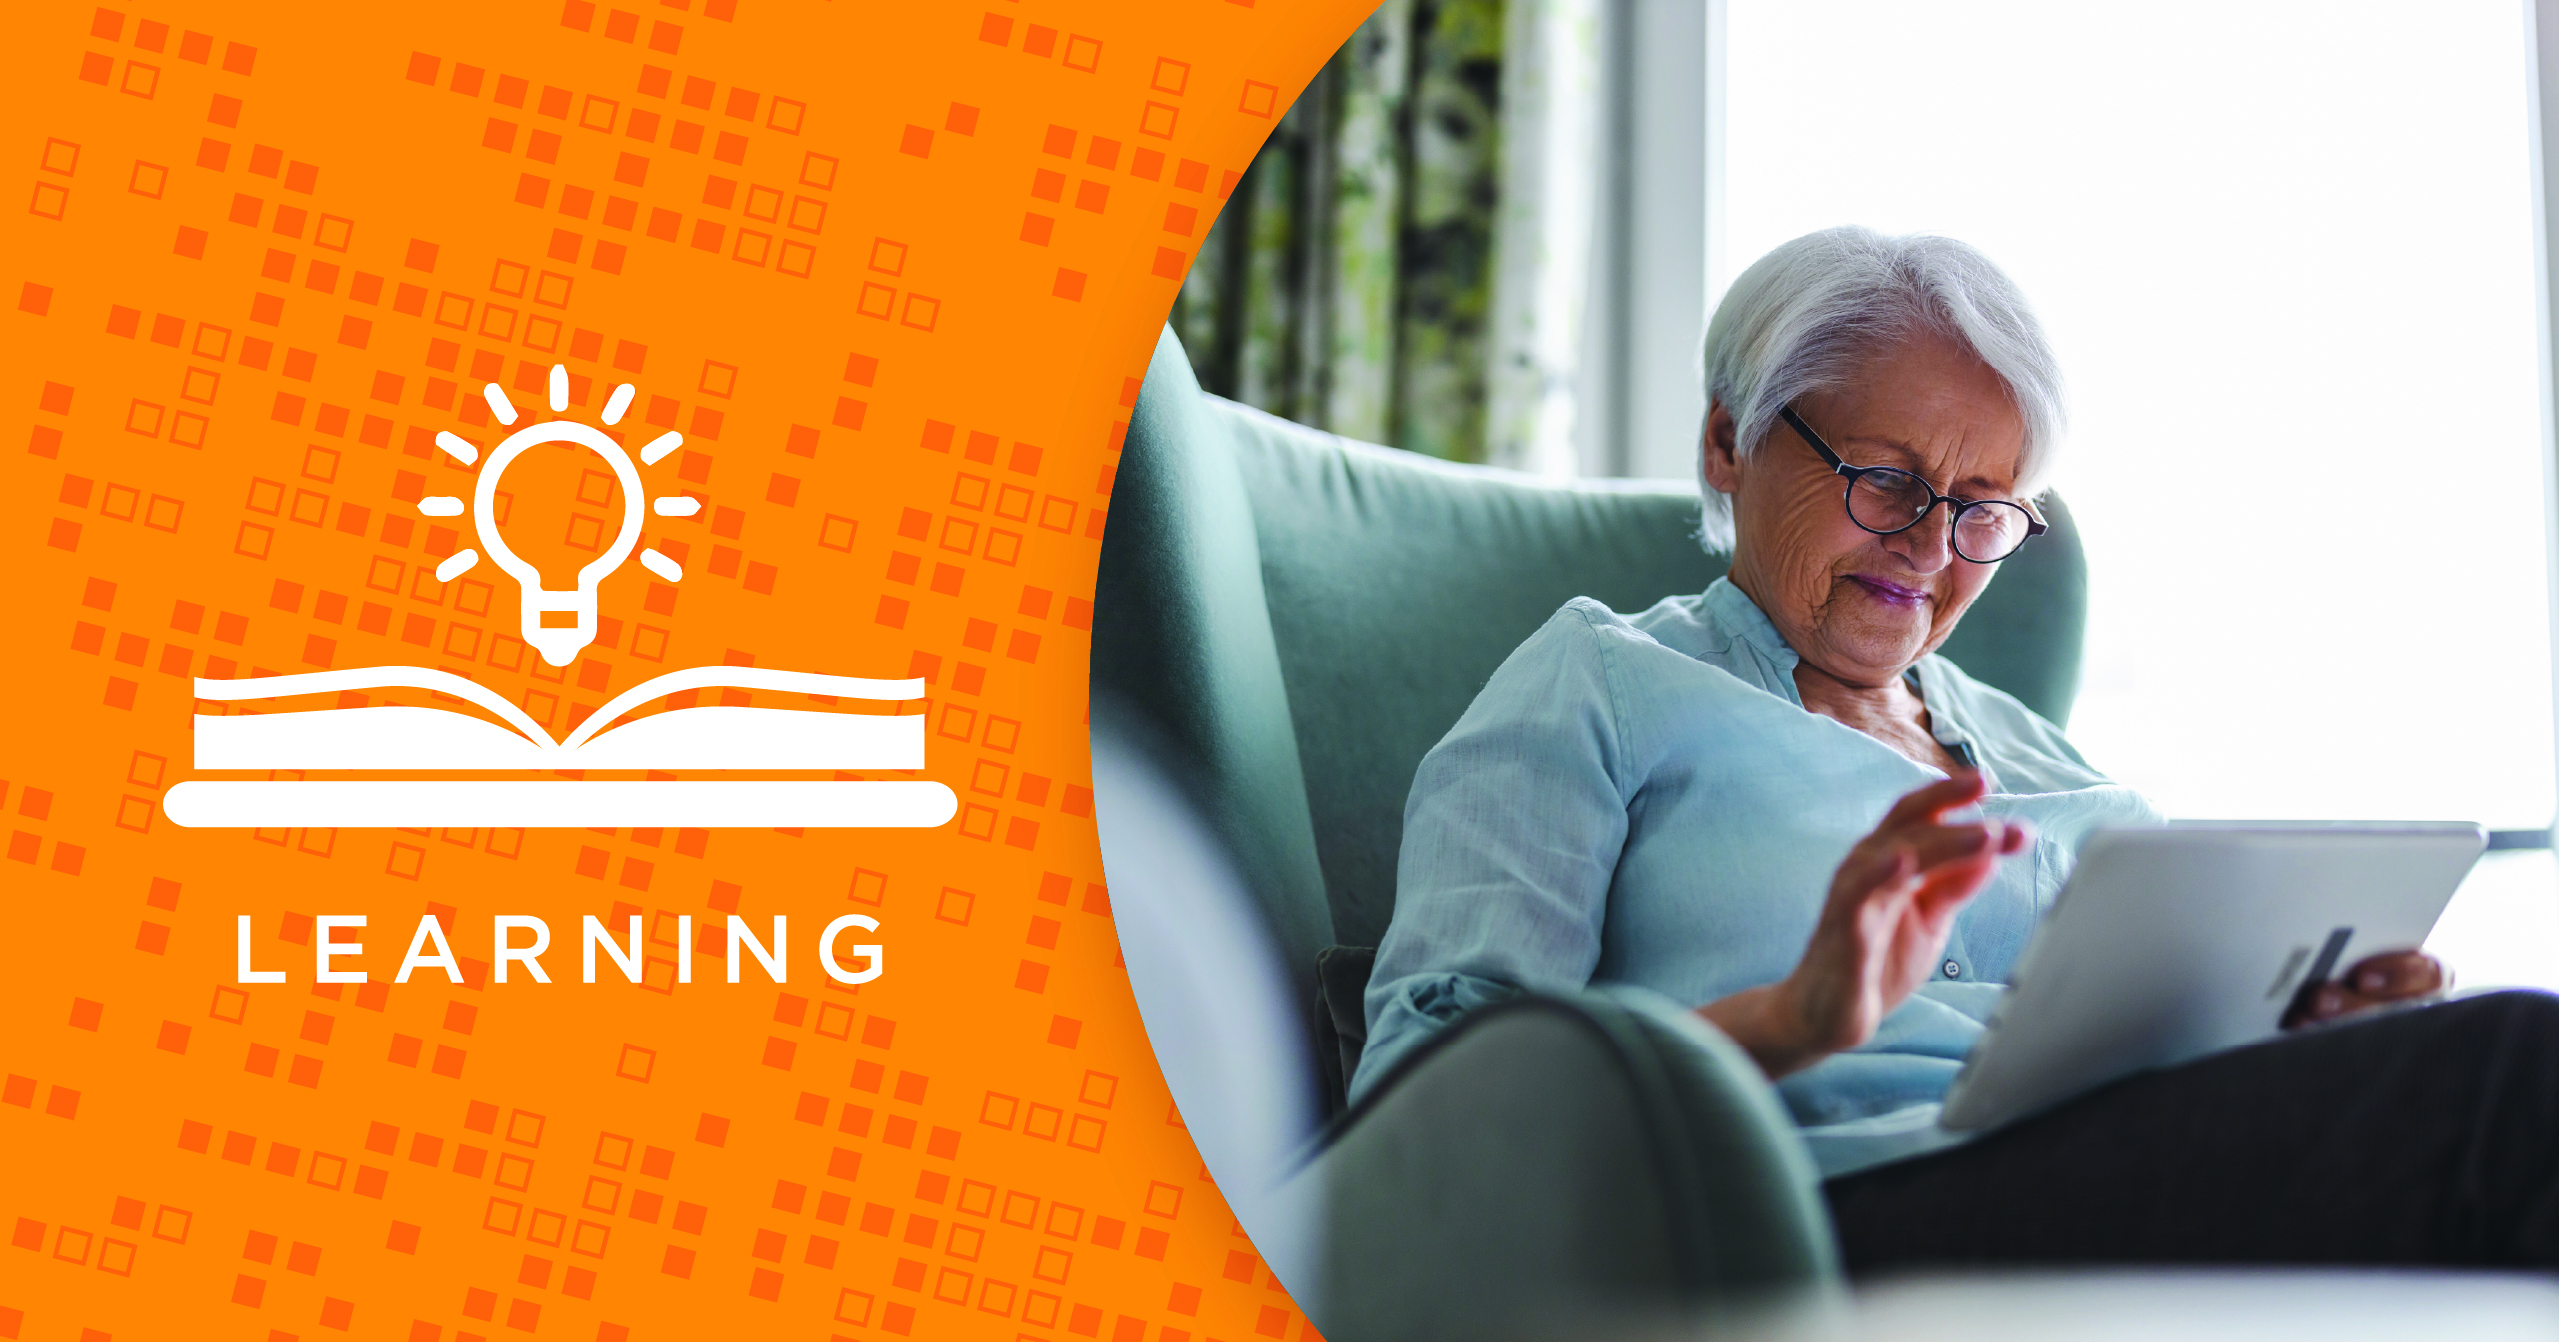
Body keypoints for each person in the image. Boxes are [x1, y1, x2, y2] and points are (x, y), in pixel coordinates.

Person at [1351, 225, 2559, 1271]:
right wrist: (1788, 1019)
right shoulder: (1607, 684)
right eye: (1886, 480)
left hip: (2117, 1171)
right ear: (1731, 442)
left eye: (1983, 506)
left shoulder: (2046, 760)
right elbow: (1421, 1109)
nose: (1932, 550)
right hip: (1807, 1214)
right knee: (2518, 1074)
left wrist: (2303, 1026)